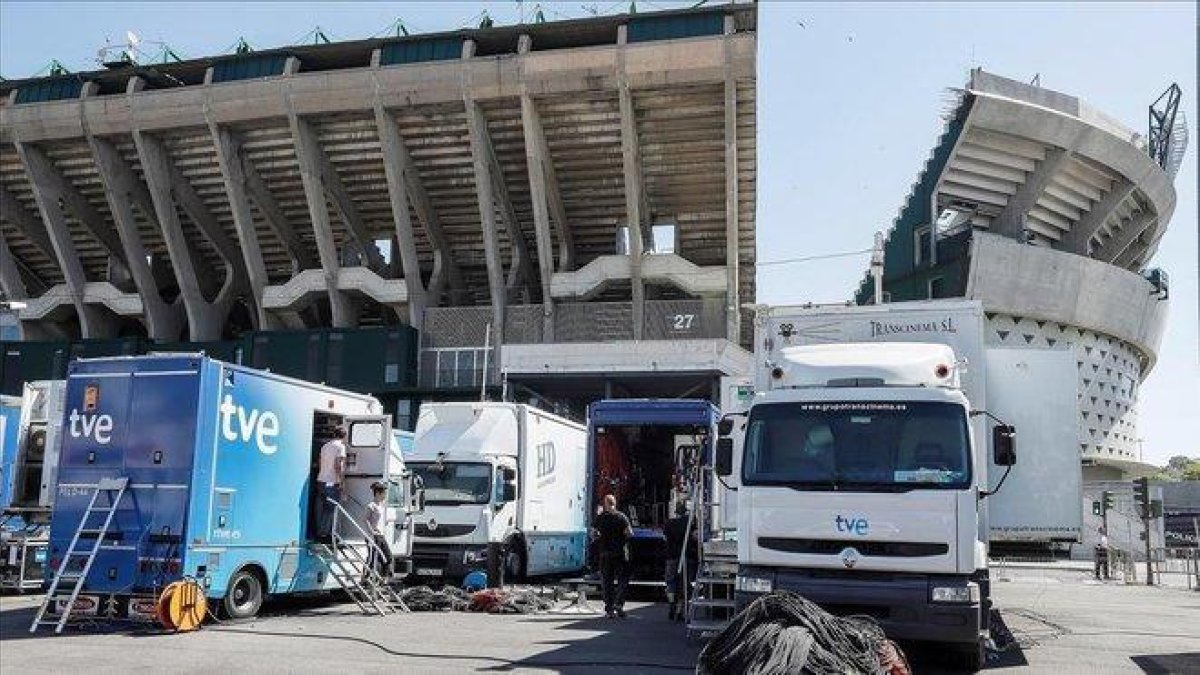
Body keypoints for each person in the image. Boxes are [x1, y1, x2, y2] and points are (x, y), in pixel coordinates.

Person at [591, 494, 633, 618]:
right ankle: (619, 604)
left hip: (605, 553)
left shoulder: (601, 518)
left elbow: (593, 533)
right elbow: (629, 533)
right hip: (620, 553)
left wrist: (600, 538)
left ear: (606, 504)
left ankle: (609, 609)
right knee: (623, 580)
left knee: (607, 582)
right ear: (615, 503)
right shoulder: (622, 517)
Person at [664, 501, 699, 621]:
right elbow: (695, 536)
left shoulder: (669, 523)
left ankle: (671, 605)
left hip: (671, 557)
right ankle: (681, 611)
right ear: (685, 511)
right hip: (686, 556)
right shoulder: (689, 522)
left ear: (675, 512)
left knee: (671, 582)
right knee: (685, 584)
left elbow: (665, 537)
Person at [315, 426, 347, 544]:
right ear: (344, 436)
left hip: (321, 480)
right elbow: (338, 465)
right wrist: (342, 482)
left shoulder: (325, 446)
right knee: (331, 509)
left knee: (320, 508)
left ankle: (319, 532)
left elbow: (319, 462)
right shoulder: (340, 447)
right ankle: (326, 534)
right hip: (332, 481)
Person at [365, 482, 394, 579]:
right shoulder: (371, 506)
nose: (385, 495)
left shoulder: (381, 506)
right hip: (373, 536)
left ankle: (384, 578)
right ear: (377, 493)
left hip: (380, 535)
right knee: (373, 558)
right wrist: (371, 531)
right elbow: (365, 519)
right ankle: (366, 577)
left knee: (388, 556)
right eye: (384, 493)